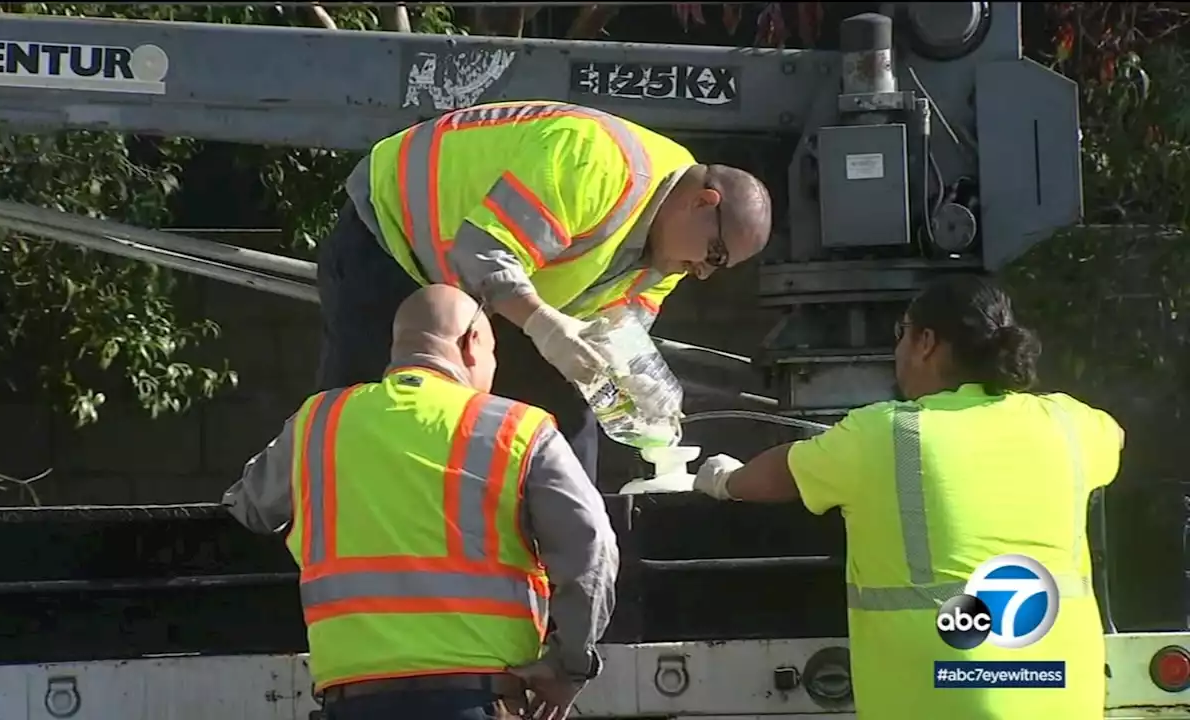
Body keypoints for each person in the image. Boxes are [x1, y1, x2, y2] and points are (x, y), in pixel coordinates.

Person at [691, 275, 1123, 720]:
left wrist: (725, 479)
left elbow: (783, 473)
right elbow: (1113, 440)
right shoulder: (1072, 425)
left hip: (943, 697)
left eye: (901, 334)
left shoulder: (887, 433)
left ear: (926, 342)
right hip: (1063, 694)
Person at [320, 99, 774, 484]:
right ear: (702, 202)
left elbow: (616, 328)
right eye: (715, 254)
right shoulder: (596, 160)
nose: (703, 272)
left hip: (497, 291)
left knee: (564, 418)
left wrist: (634, 378)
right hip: (393, 239)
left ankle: (564, 557)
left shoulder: (672, 251)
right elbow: (484, 252)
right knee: (374, 413)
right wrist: (544, 325)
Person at [224, 284, 620, 720]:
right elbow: (591, 544)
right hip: (476, 697)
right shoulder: (518, 428)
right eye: (492, 354)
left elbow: (249, 507)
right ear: (472, 343)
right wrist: (571, 664)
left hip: (352, 702)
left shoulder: (317, 424)